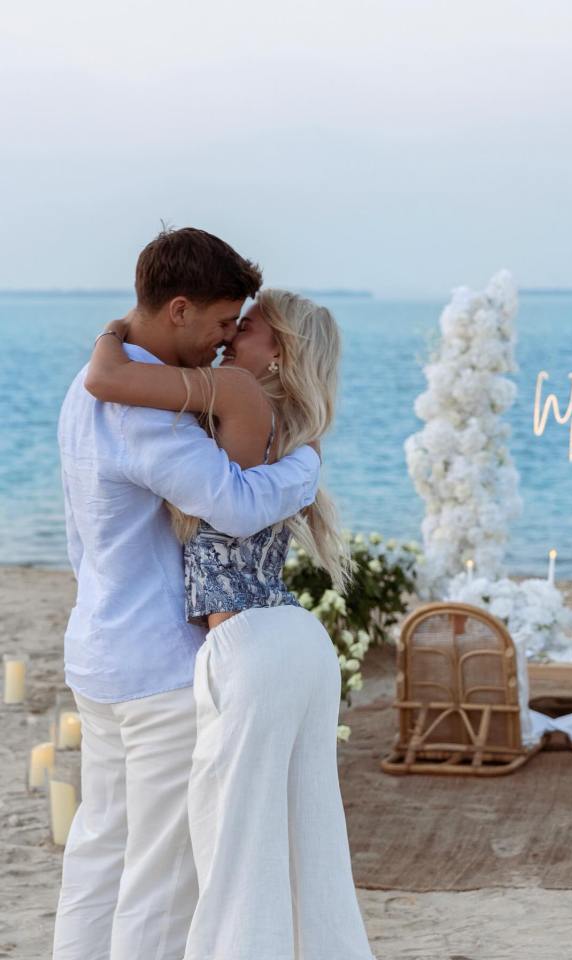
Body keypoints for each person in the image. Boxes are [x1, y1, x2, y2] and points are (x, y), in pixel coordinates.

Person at [53, 228, 322, 960]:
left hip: (100, 655)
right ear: (177, 310)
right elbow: (232, 504)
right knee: (161, 878)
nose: (223, 340)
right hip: (159, 671)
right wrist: (305, 470)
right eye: (219, 323)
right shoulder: (147, 417)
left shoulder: (88, 388)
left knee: (99, 850)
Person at [85, 288, 375, 958]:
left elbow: (107, 377)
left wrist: (119, 326)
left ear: (277, 350)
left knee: (235, 863)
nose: (227, 337)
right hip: (294, 643)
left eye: (244, 327)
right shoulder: (291, 426)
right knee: (309, 860)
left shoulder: (240, 397)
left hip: (253, 648)